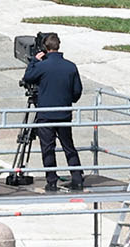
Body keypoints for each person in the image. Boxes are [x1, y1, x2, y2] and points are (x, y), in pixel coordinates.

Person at [20, 33, 83, 192]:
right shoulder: (71, 66)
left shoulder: (42, 66)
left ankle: (52, 181)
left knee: (48, 148)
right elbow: (77, 91)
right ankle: (77, 178)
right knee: (69, 146)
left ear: (46, 48)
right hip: (64, 113)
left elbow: (28, 77)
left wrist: (34, 61)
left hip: (46, 115)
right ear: (58, 46)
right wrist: (68, 100)